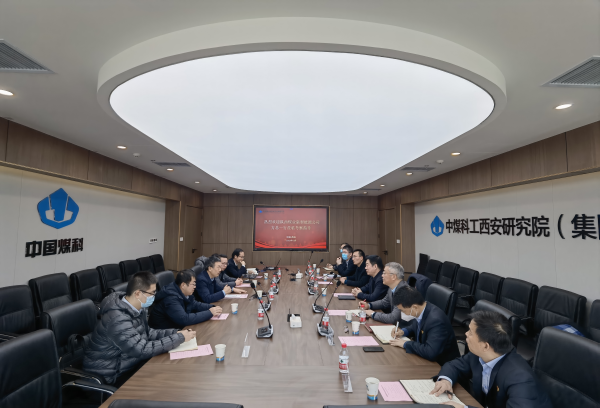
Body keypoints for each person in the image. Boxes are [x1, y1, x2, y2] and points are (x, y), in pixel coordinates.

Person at [83, 271, 195, 385]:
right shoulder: (117, 319)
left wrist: (176, 332)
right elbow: (142, 349)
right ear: (137, 293)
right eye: (152, 293)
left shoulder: (136, 307)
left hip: (129, 365)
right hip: (111, 376)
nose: (154, 296)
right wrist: (179, 338)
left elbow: (148, 333)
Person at [432, 311, 552, 408]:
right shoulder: (480, 355)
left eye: (471, 332)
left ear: (485, 346)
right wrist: (446, 380)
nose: (466, 334)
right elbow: (455, 365)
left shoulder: (520, 378)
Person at [389, 286, 460, 366]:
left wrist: (405, 344)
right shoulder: (422, 309)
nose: (402, 313)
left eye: (403, 310)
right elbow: (415, 327)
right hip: (422, 357)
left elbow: (431, 352)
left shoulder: (436, 321)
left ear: (414, 307)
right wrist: (403, 331)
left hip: (441, 365)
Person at [149, 270, 223, 330]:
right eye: (193, 284)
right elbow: (184, 319)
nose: (195, 287)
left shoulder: (182, 291)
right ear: (183, 285)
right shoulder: (170, 298)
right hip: (164, 333)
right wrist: (209, 313)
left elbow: (194, 304)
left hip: (176, 327)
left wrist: (212, 307)